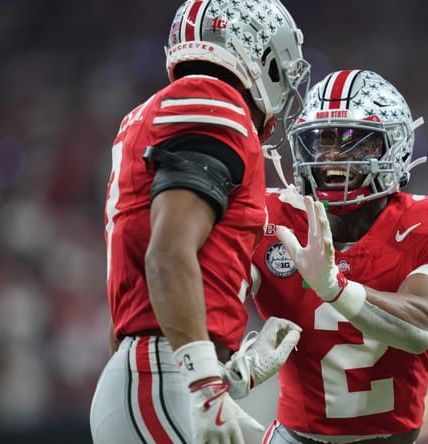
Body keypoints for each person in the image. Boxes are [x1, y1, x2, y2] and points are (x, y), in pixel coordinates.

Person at [90, 0, 311, 443]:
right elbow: (168, 254)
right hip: (165, 378)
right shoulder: (211, 101)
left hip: (160, 375)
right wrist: (205, 385)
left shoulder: (162, 112)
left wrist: (230, 373)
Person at [251, 70, 428, 443]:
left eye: (356, 141)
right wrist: (222, 370)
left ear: (395, 146)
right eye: (321, 140)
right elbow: (211, 290)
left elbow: (423, 326)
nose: (332, 157)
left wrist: (335, 288)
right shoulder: (268, 216)